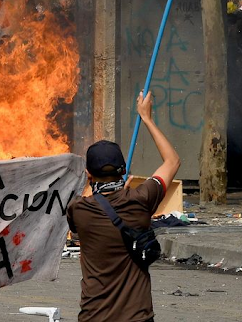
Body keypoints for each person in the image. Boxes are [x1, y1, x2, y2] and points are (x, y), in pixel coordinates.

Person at [67, 91, 180, 322]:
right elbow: (172, 161)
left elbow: (84, 208)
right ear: (123, 170)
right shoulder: (141, 198)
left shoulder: (78, 210)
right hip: (137, 317)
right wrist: (146, 117)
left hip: (94, 316)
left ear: (88, 173)